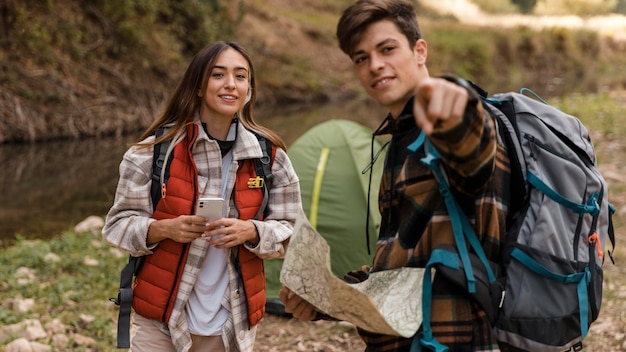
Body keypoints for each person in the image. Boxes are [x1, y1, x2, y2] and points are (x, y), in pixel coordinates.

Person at [279, 0, 511, 351]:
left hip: (452, 339)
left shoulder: (456, 124)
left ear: (420, 51)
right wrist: (322, 298)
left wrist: (456, 104)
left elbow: (472, 151)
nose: (375, 65)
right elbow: (397, 267)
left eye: (387, 49)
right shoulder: (402, 139)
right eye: (361, 58)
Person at [102, 41, 302, 352]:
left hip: (230, 323)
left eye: (240, 76)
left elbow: (293, 231)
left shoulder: (270, 158)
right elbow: (117, 226)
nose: (230, 85)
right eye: (218, 74)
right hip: (159, 320)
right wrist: (164, 229)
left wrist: (253, 231)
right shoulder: (151, 152)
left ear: (248, 88)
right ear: (198, 85)